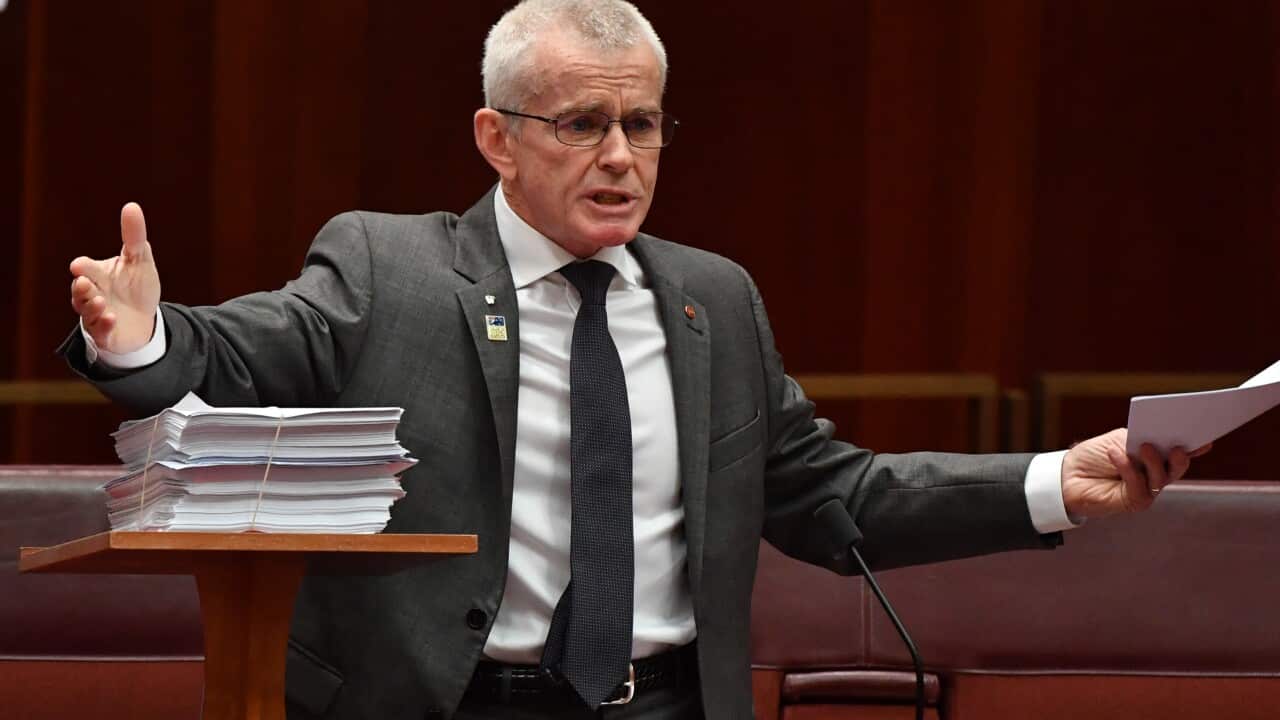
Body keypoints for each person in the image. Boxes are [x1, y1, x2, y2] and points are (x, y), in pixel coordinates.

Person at [60, 1, 1207, 718]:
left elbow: (828, 498)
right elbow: (231, 354)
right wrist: (141, 336)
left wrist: (1059, 481)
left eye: (642, 123)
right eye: (580, 125)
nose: (620, 156)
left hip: (660, 702)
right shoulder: (388, 270)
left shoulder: (711, 296)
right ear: (495, 138)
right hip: (444, 703)